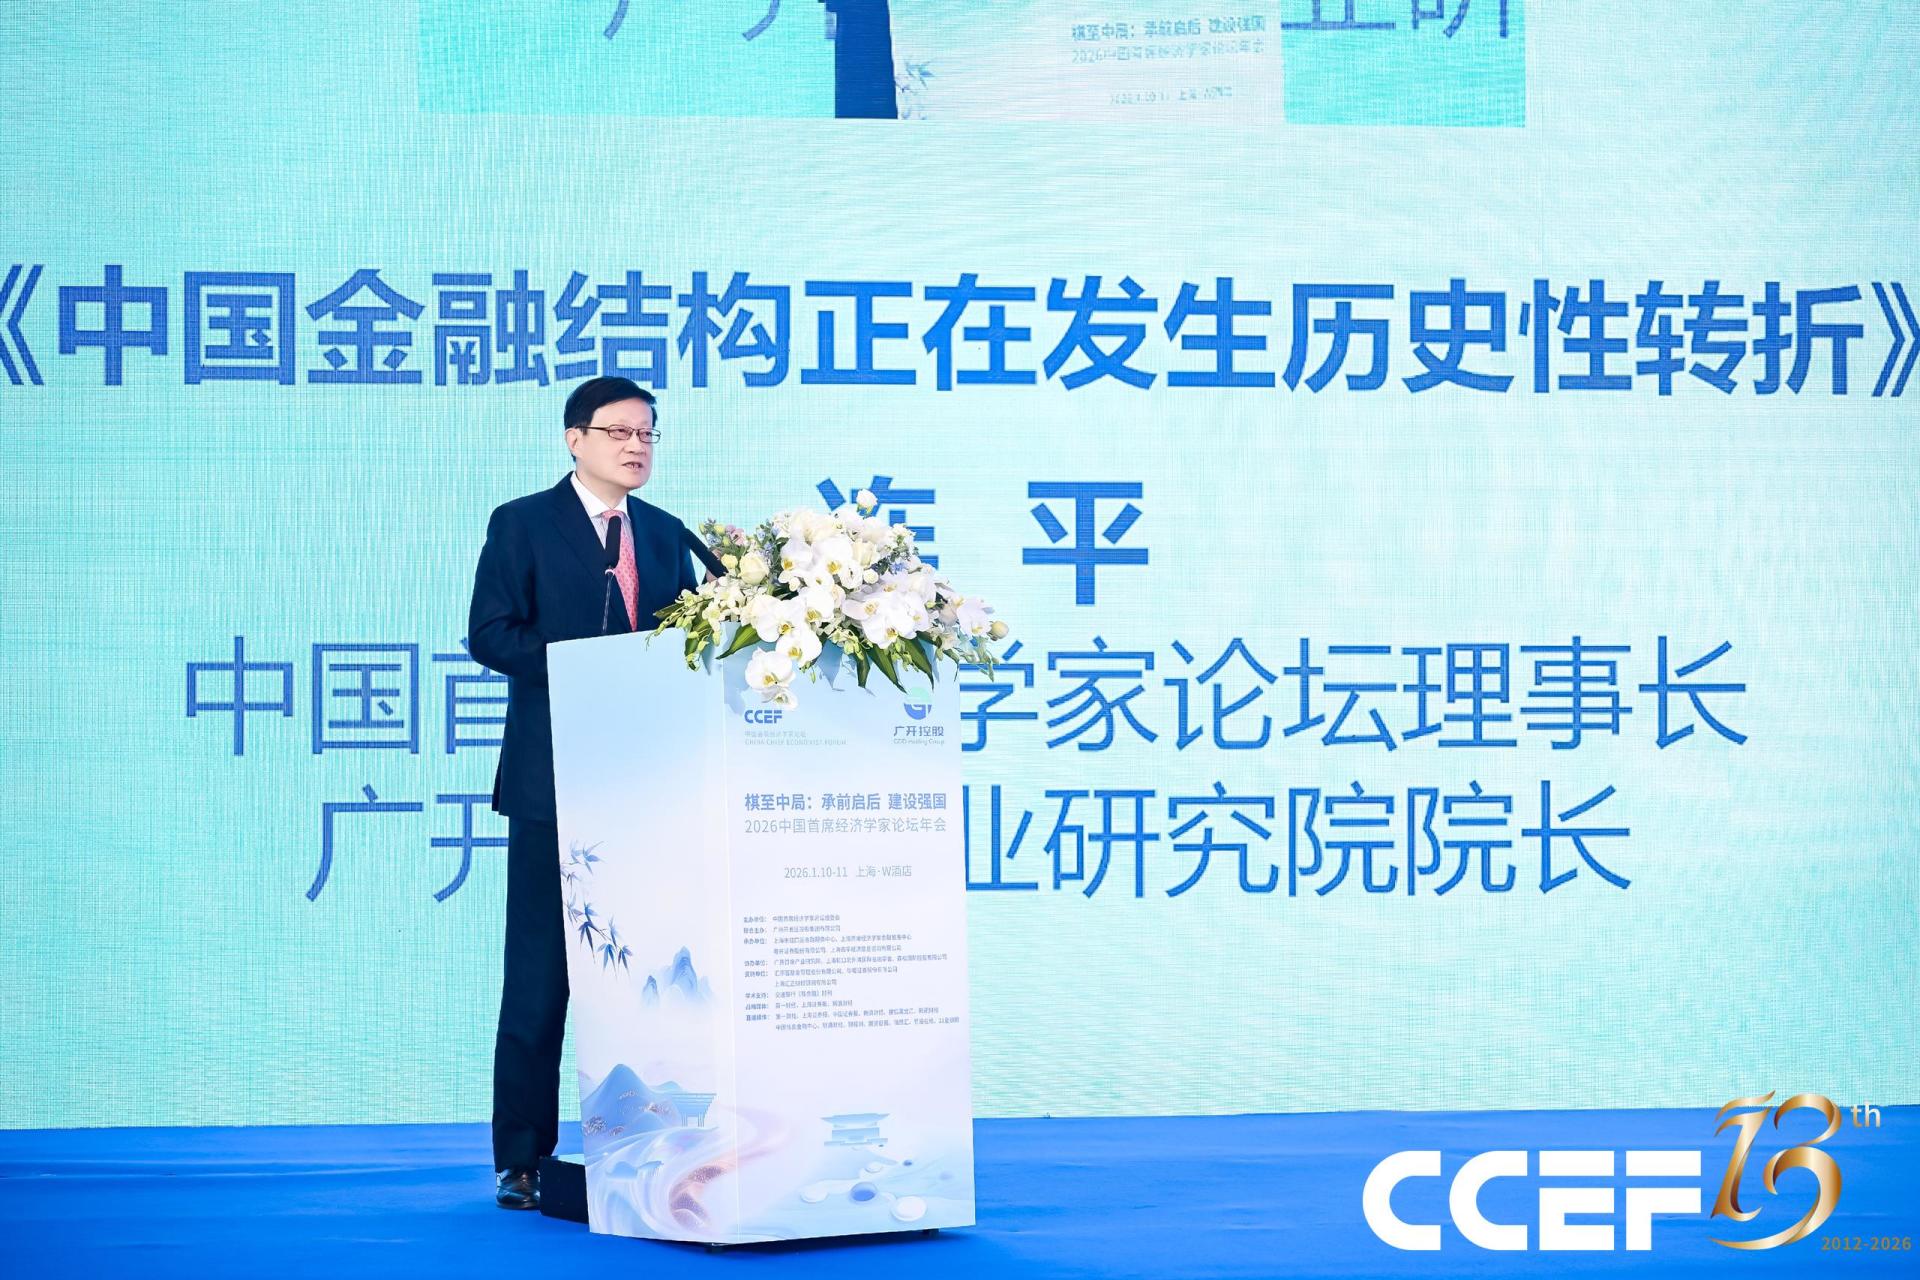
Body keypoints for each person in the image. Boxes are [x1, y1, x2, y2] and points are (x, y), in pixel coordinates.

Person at [466, 375, 701, 1209]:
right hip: (554, 784)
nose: (636, 447)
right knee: (540, 980)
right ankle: (523, 1157)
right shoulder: (523, 523)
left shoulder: (667, 534)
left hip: (648, 789)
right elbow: (490, 634)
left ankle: (653, 1138)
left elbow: (690, 642)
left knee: (651, 976)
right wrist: (586, 669)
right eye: (618, 432)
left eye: (647, 434)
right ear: (576, 439)